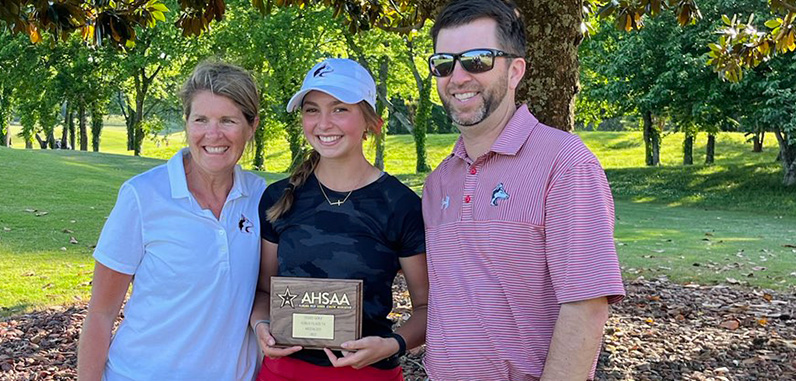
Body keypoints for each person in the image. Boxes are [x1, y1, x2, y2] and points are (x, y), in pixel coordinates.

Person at [422, 0, 626, 380]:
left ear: (515, 70)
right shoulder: (438, 182)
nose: (458, 76)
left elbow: (586, 306)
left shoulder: (565, 164)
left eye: (478, 60)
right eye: (444, 63)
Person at [77, 61, 266, 381]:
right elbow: (100, 314)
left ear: (252, 126)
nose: (213, 134)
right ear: (187, 123)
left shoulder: (263, 198)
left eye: (228, 120)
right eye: (201, 119)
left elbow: (266, 292)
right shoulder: (142, 195)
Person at [249, 58, 428, 381]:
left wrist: (392, 344)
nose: (323, 123)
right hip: (283, 373)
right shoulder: (278, 199)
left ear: (372, 122)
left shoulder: (400, 205)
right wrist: (261, 326)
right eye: (312, 109)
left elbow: (427, 308)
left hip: (368, 375)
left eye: (340, 109)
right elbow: (263, 292)